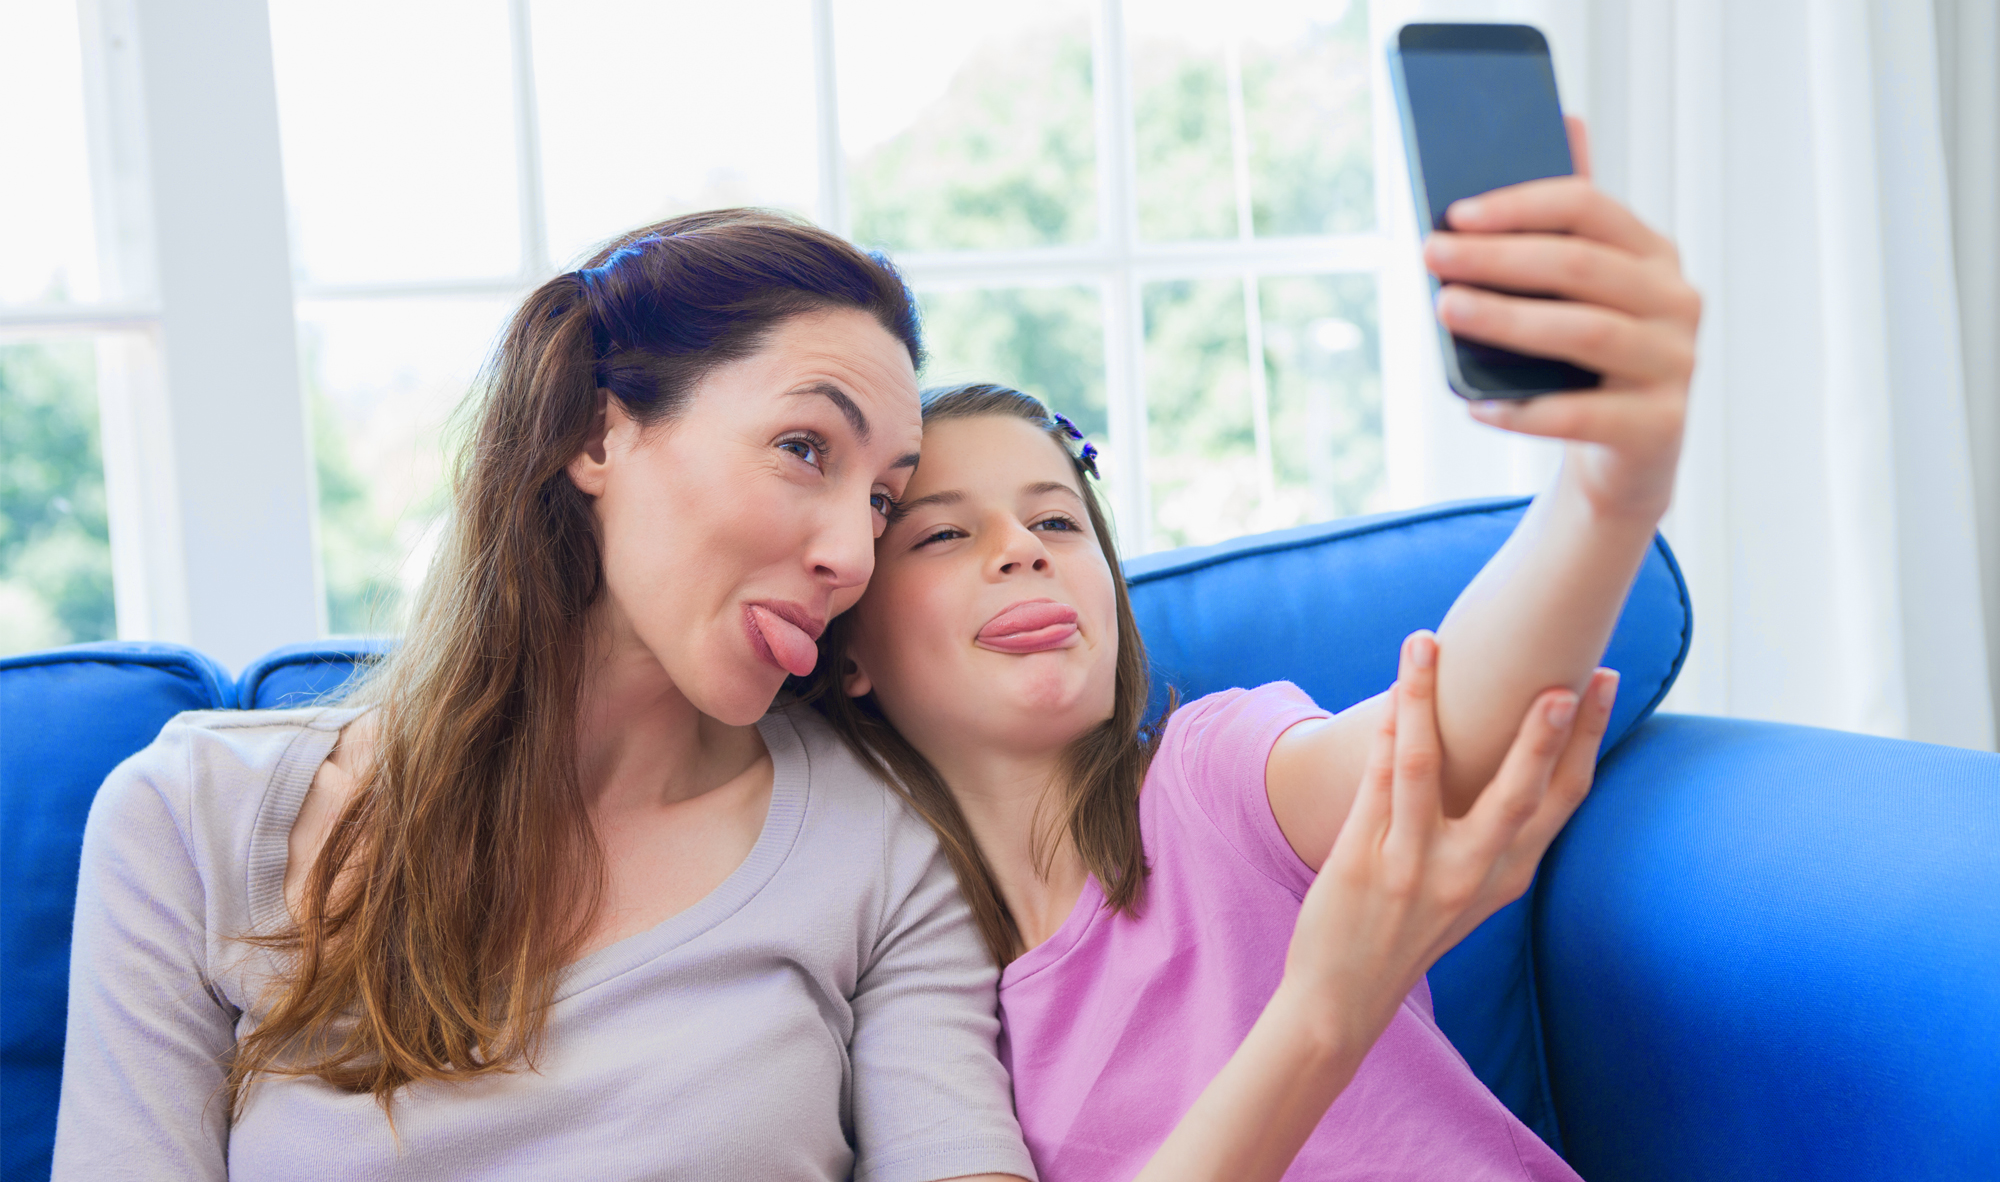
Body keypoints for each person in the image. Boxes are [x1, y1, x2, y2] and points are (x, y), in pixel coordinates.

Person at [52, 210, 1041, 1181]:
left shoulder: (882, 844)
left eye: (881, 500)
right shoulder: (190, 818)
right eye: (804, 447)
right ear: (596, 435)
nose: (852, 555)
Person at [807, 123, 1699, 1180]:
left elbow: (1441, 735)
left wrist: (1604, 492)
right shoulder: (919, 1010)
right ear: (849, 651)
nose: (1022, 550)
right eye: (945, 535)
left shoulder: (1209, 777)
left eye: (1055, 521)